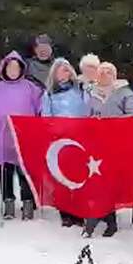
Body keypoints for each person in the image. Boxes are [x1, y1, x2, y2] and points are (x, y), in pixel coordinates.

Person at [83, 61, 133, 237]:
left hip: (117, 143)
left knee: (109, 183)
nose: (105, 74)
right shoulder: (93, 95)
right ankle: (102, 219)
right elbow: (86, 116)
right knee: (97, 182)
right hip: (96, 145)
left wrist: (114, 124)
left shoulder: (125, 93)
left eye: (109, 72)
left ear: (114, 75)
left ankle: (107, 221)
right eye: (102, 72)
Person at [0, 51, 44, 220]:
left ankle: (28, 203)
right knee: (6, 171)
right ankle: (8, 203)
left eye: (16, 67)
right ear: (4, 68)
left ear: (21, 69)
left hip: (24, 138)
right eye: (10, 67)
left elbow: (40, 108)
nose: (13, 70)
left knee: (25, 171)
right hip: (3, 139)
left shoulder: (30, 88)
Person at [39, 57, 90, 227]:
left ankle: (78, 211)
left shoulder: (80, 91)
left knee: (79, 176)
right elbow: (46, 118)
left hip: (79, 139)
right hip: (60, 141)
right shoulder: (49, 94)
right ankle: (65, 212)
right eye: (62, 69)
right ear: (55, 73)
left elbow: (87, 110)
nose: (65, 72)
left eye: (67, 69)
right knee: (62, 177)